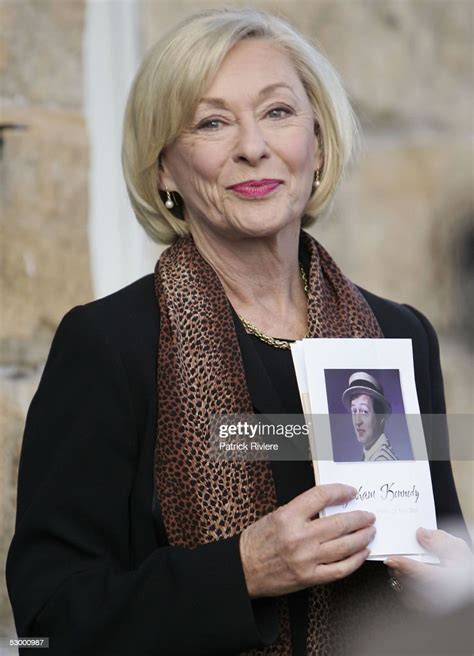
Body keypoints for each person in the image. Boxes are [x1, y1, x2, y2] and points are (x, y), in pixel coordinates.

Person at [6, 8, 471, 656]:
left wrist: (452, 586)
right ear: (165, 168)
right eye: (212, 122)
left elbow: (446, 558)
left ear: (319, 143)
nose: (253, 146)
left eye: (277, 112)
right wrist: (242, 572)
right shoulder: (110, 345)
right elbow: (52, 607)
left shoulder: (398, 335)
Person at [341, 371, 397, 461]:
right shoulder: (370, 455)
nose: (357, 422)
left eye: (364, 411)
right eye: (354, 411)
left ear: (380, 417)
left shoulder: (382, 460)